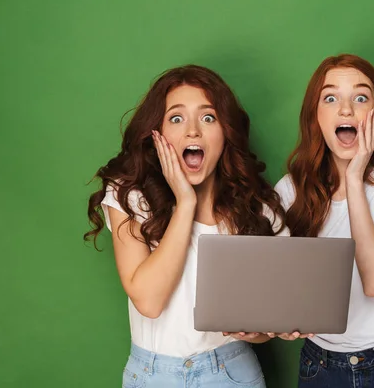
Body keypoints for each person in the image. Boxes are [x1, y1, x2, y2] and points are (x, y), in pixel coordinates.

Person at [84, 65, 285, 387]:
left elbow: (266, 326)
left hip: (232, 372)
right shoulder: (129, 196)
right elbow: (149, 301)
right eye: (176, 118)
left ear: (226, 132)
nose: (193, 131)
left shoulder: (257, 209)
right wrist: (186, 203)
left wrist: (257, 331)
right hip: (152, 375)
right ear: (157, 134)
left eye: (208, 118)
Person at [274, 54, 374, 387]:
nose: (346, 109)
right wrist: (283, 323)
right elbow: (283, 290)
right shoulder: (289, 191)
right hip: (320, 366)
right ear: (315, 116)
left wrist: (353, 178)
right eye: (330, 98)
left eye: (360, 97)